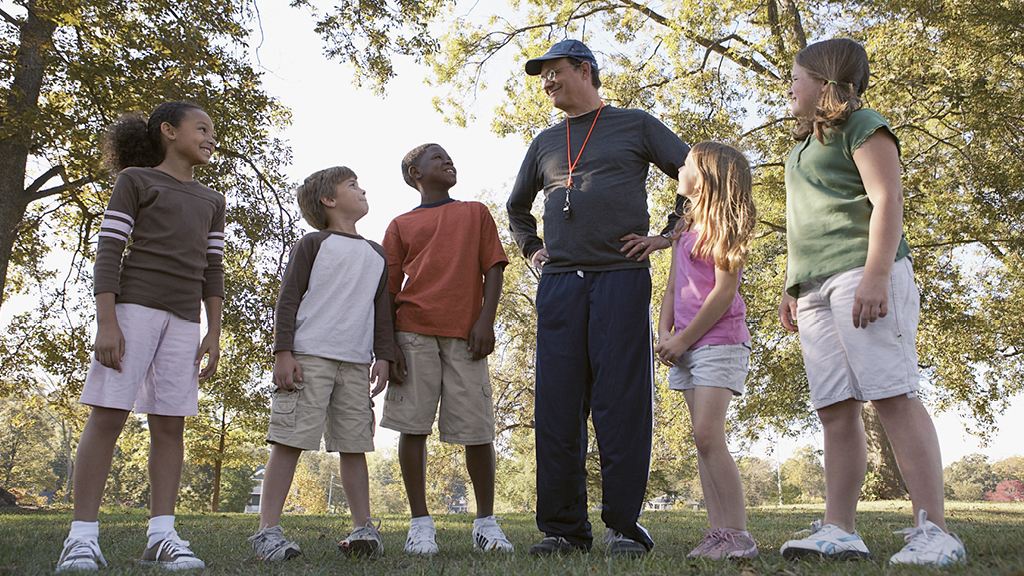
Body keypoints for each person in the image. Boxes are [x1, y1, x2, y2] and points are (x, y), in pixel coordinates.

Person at [777, 38, 966, 566]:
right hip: (814, 288)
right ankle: (840, 529)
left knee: (891, 396)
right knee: (834, 410)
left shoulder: (863, 124)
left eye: (797, 75)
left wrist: (878, 275)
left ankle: (936, 530)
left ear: (828, 81)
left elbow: (887, 199)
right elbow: (807, 224)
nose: (789, 85)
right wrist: (793, 286)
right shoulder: (799, 147)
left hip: (864, 275)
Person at [507, 39, 691, 558]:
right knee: (558, 405)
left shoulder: (634, 124)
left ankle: (624, 527)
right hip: (561, 284)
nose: (546, 81)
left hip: (619, 276)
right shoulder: (544, 142)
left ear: (584, 70)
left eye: (554, 71)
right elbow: (517, 207)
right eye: (541, 75)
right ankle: (563, 529)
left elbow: (695, 177)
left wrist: (669, 233)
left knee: (621, 402)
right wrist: (532, 252)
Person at [55, 102, 224, 571]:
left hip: (185, 321)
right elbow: (109, 250)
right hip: (132, 311)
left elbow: (214, 270)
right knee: (108, 416)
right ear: (168, 131)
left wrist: (214, 330)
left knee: (170, 424)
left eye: (214, 132)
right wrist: (107, 322)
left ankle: (162, 536)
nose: (211, 137)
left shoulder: (213, 200)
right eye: (202, 128)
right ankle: (82, 538)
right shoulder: (135, 180)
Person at [248, 166, 393, 561]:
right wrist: (283, 352)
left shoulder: (376, 253)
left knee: (354, 445)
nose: (362, 190)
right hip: (307, 359)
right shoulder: (312, 244)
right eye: (352, 186)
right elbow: (288, 298)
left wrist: (384, 356)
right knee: (289, 440)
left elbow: (382, 311)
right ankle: (267, 532)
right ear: (329, 200)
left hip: (354, 364)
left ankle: (364, 529)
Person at [381, 143, 512, 555]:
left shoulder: (475, 213)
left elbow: (492, 267)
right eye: (436, 157)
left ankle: (486, 523)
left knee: (478, 428)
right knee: (413, 426)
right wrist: (388, 346)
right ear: (415, 173)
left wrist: (485, 321)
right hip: (412, 334)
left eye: (449, 156)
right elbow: (387, 290)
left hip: (466, 338)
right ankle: (420, 524)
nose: (447, 161)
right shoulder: (400, 224)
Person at [654, 142, 758, 560]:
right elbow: (672, 285)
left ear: (709, 176)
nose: (679, 166)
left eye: (688, 163)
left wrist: (683, 339)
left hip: (718, 341)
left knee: (708, 433)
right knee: (703, 441)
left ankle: (738, 534)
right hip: (685, 344)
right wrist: (664, 330)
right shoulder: (684, 225)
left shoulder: (724, 227)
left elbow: (723, 293)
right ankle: (719, 532)